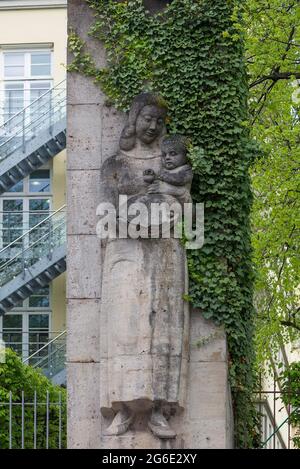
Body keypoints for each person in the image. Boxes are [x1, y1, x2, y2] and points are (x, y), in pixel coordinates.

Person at [99, 93, 190, 439]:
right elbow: (106, 210)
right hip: (125, 252)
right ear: (134, 118)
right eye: (146, 118)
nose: (152, 125)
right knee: (125, 328)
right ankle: (122, 408)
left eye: (158, 120)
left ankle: (157, 410)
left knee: (161, 327)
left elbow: (184, 202)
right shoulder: (115, 163)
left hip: (165, 248)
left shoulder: (172, 164)